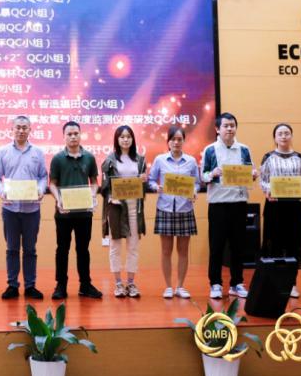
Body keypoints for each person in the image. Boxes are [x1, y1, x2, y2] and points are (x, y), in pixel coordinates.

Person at [0, 115, 47, 301]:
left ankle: (30, 286)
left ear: (30, 130)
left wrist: (41, 190)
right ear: (12, 129)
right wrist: (1, 191)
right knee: (12, 249)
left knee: (30, 249)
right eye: (18, 127)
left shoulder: (38, 152)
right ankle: (12, 285)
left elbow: (43, 176)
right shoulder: (3, 152)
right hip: (10, 209)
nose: (21, 130)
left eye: (25, 127)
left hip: (32, 209)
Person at [201, 112, 256, 300]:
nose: (230, 129)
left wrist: (253, 174)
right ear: (217, 129)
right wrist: (212, 174)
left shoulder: (244, 149)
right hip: (218, 205)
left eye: (232, 125)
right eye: (226, 126)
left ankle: (237, 283)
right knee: (216, 246)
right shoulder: (209, 150)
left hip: (239, 203)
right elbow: (203, 176)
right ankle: (215, 283)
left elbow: (249, 172)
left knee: (238, 246)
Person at [49, 121, 102, 300]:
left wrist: (93, 196)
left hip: (84, 213)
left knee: (83, 249)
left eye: (76, 133)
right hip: (63, 213)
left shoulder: (89, 157)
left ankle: (85, 285)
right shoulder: (57, 159)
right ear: (64, 136)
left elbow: (94, 182)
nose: (73, 137)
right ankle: (61, 285)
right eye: (69, 134)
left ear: (80, 135)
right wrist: (59, 199)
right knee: (62, 249)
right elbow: (52, 184)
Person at [147, 125, 201, 299]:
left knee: (183, 251)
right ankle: (168, 287)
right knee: (166, 251)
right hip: (165, 208)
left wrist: (194, 191)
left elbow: (197, 183)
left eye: (179, 139)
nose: (176, 142)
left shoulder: (191, 161)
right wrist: (156, 187)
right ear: (168, 142)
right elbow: (150, 180)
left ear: (183, 141)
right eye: (173, 139)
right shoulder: (160, 160)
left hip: (185, 208)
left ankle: (180, 286)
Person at [259, 123, 301, 299]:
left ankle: (292, 283)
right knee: (274, 243)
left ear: (291, 136)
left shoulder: (299, 157)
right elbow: (263, 180)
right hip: (274, 206)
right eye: (280, 133)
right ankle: (275, 283)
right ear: (275, 137)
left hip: (294, 207)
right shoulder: (268, 157)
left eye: (287, 133)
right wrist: (269, 191)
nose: (283, 136)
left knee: (293, 244)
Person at [98, 125, 147, 298]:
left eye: (128, 136)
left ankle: (131, 283)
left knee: (133, 246)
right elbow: (104, 186)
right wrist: (111, 196)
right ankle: (118, 283)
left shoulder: (140, 160)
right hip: (116, 207)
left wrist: (144, 180)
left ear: (133, 139)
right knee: (115, 246)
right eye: (122, 137)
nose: (125, 139)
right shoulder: (110, 160)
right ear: (117, 140)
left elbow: (143, 186)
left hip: (134, 208)